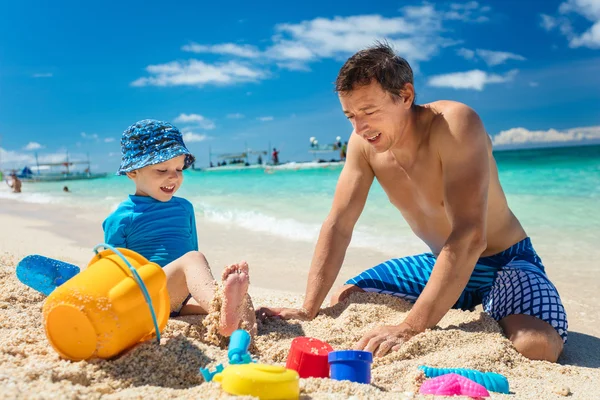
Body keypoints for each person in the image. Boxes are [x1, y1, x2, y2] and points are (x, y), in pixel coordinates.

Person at [258, 43, 566, 362]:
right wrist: (308, 309)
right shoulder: (363, 146)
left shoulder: (454, 124)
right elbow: (339, 224)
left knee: (535, 346)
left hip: (504, 259)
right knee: (345, 298)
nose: (359, 128)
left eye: (369, 112)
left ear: (405, 96)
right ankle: (464, 302)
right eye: (350, 116)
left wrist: (410, 327)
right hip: (441, 261)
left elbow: (471, 235)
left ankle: (498, 307)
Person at [103, 119, 256, 337]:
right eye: (162, 169)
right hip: (144, 299)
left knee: (242, 299)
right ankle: (223, 311)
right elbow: (112, 272)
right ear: (132, 172)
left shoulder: (185, 208)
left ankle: (240, 336)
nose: (173, 176)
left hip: (177, 299)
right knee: (193, 258)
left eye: (179, 168)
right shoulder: (121, 218)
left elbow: (193, 268)